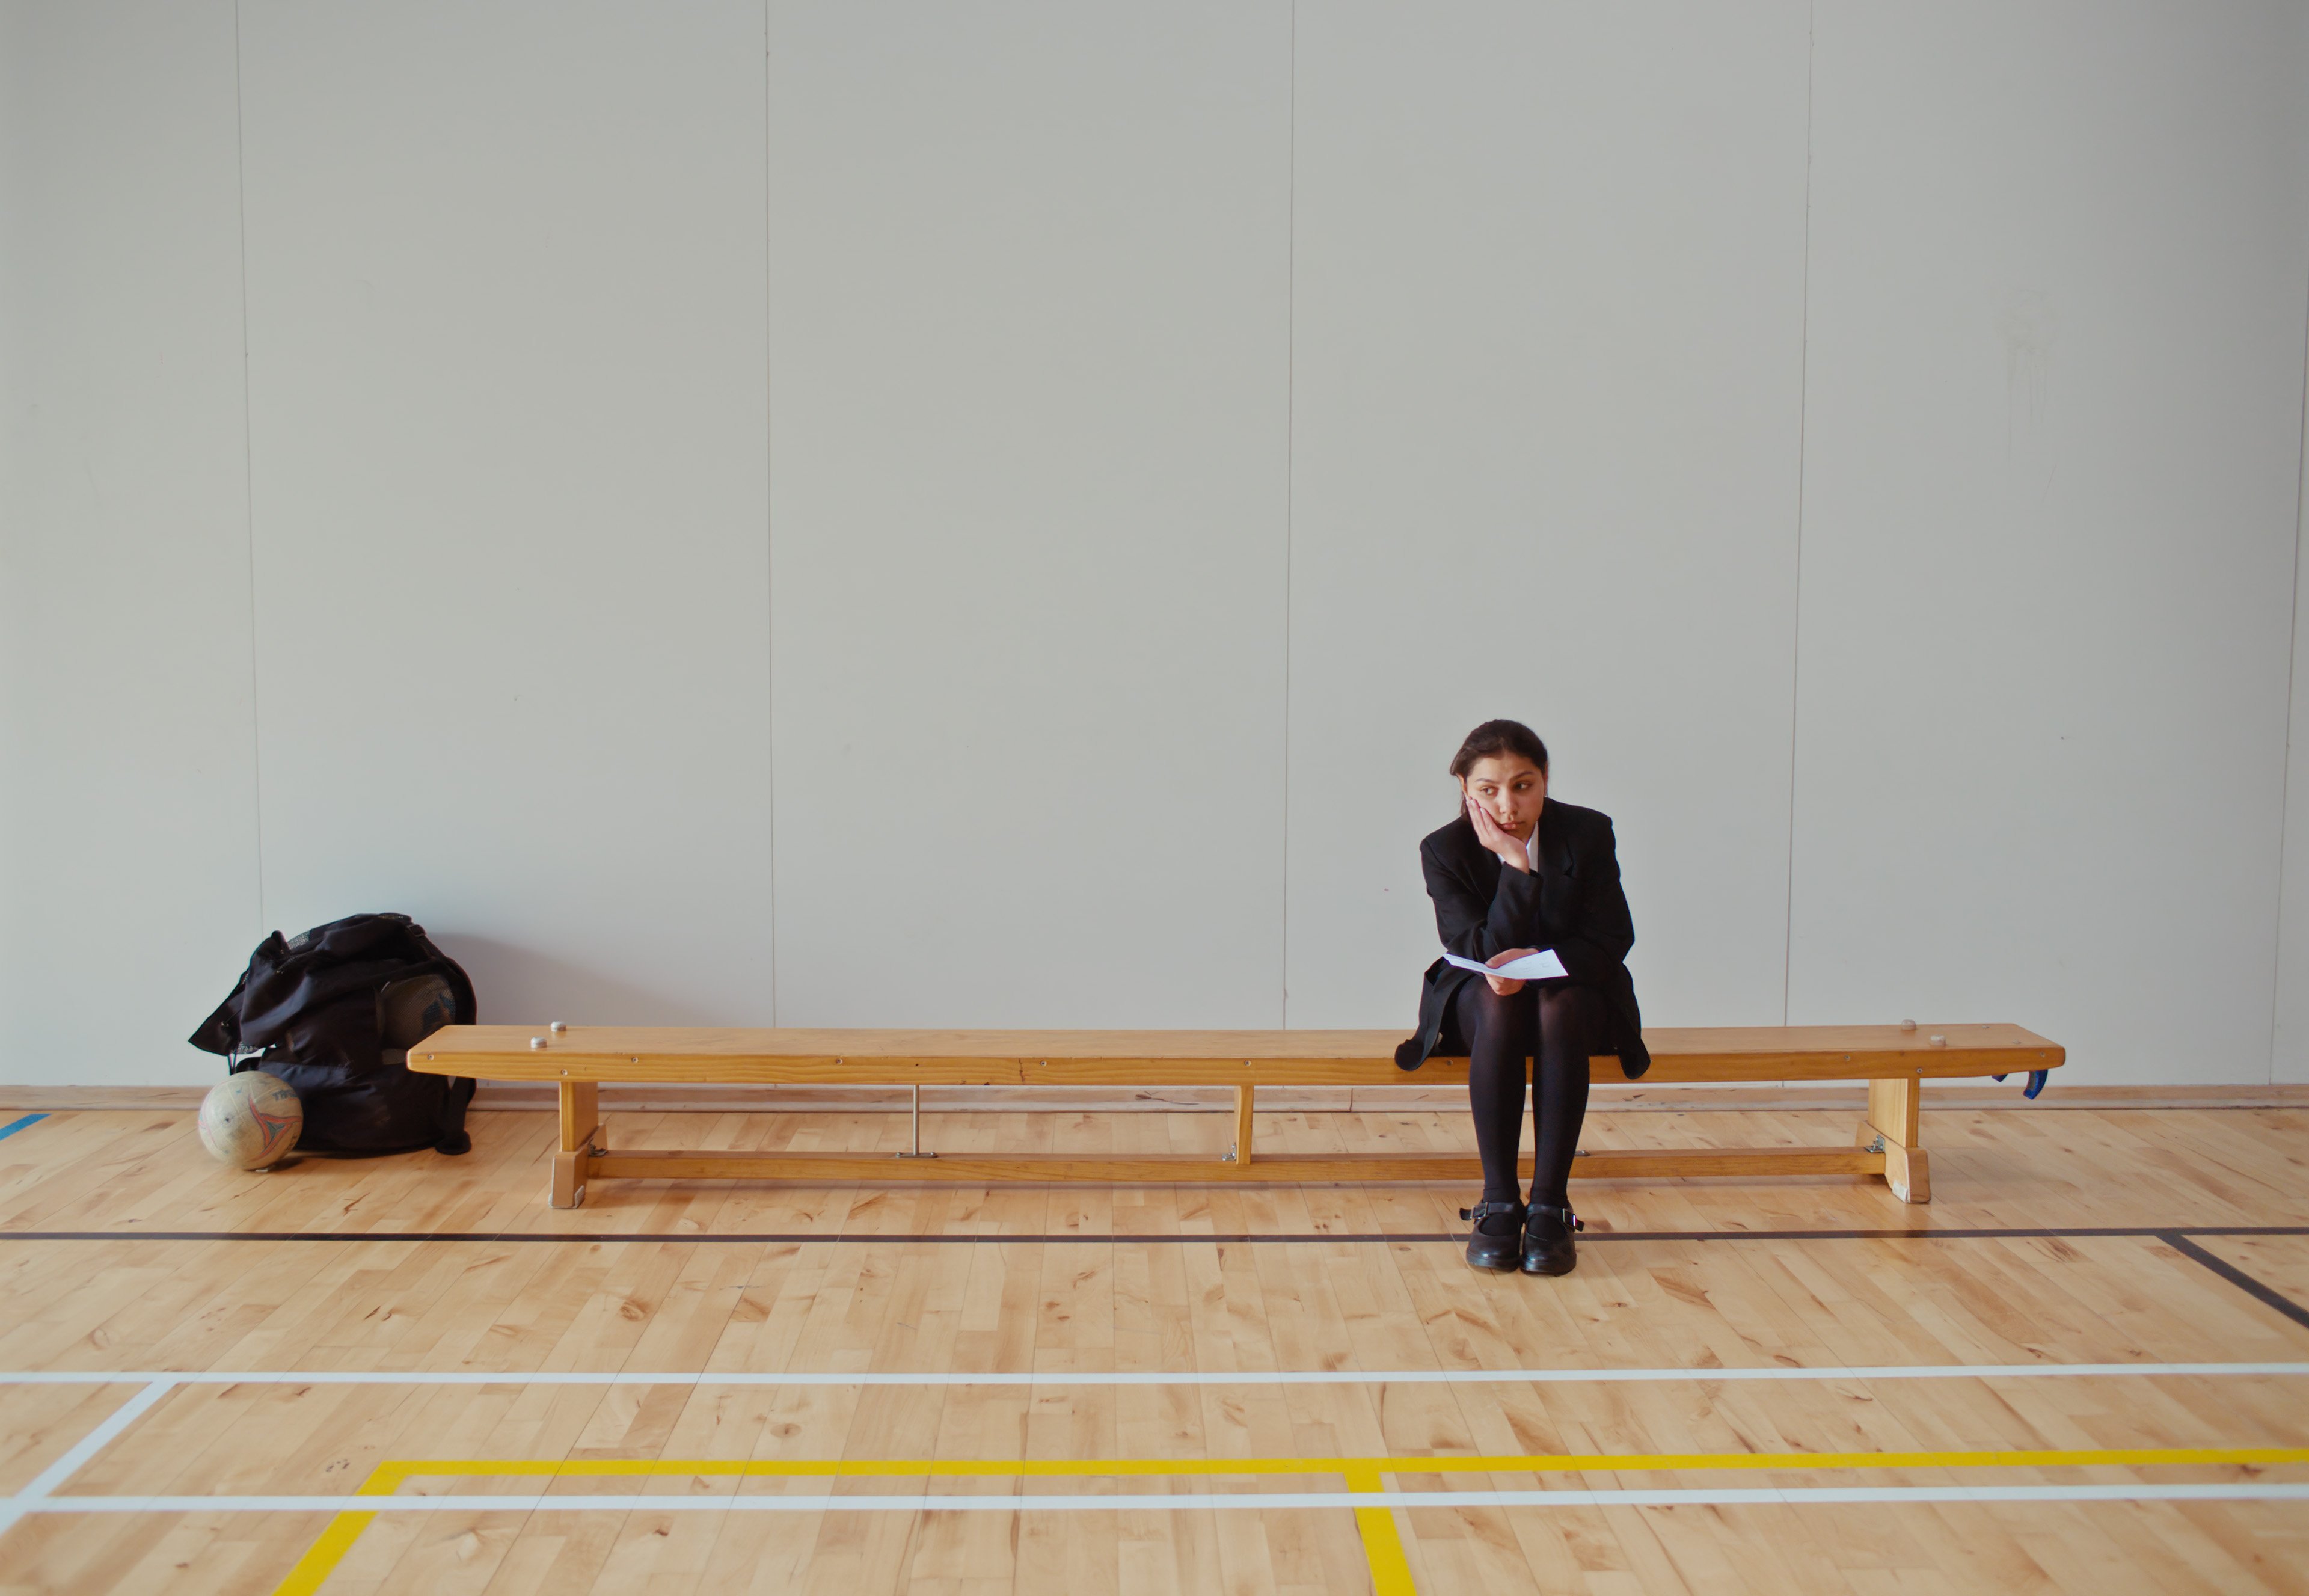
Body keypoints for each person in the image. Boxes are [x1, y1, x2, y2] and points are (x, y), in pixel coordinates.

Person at [1393, 719, 1649, 1276]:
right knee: (1499, 1002)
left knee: (1555, 1006)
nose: (1508, 805)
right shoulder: (1444, 848)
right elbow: (1474, 947)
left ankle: (1552, 1205)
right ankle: (1500, 1204)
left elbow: (1612, 938)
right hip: (1481, 1004)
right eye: (1488, 789)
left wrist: (1540, 972)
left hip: (1573, 997)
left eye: (1523, 785)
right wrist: (1514, 864)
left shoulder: (1588, 832)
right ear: (1465, 788)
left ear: (1545, 780)